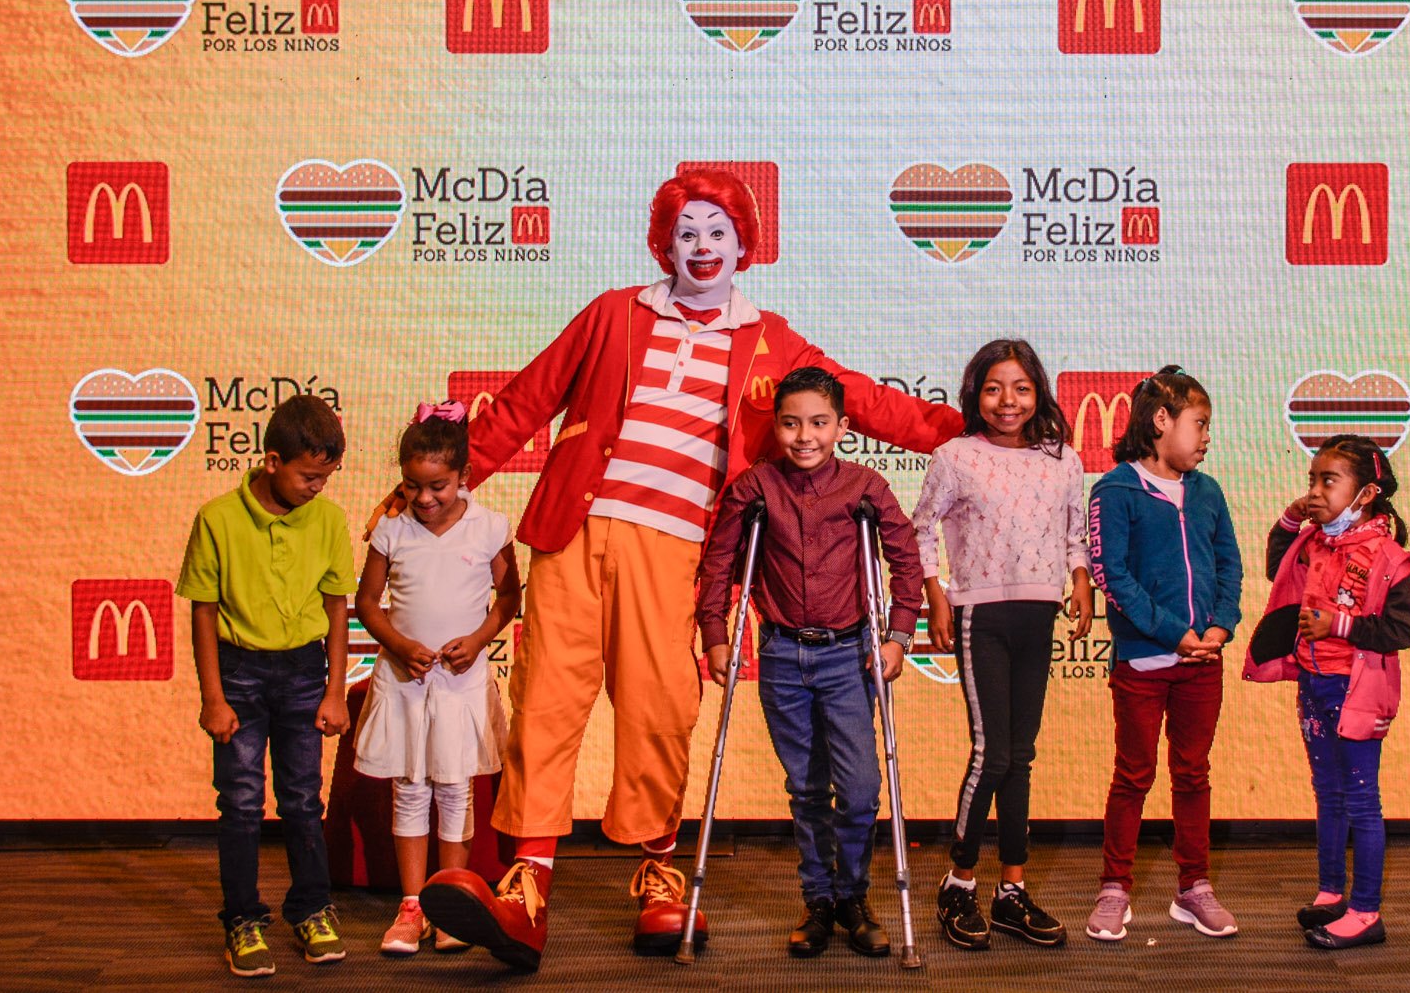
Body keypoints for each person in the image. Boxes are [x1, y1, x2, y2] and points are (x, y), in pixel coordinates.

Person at [413, 169, 962, 971]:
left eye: (718, 232)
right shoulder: (612, 313)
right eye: (687, 232)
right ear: (663, 242)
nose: (702, 247)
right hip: (574, 532)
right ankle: (525, 887)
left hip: (680, 548)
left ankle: (659, 875)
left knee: (659, 708)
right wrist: (435, 480)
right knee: (543, 702)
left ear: (745, 244)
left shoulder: (772, 340)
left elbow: (869, 402)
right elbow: (526, 401)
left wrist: (964, 430)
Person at [697, 367, 921, 959]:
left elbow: (907, 562)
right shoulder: (754, 488)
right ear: (777, 425)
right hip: (781, 655)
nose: (805, 436)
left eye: (819, 423)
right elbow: (720, 564)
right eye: (792, 423)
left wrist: (898, 636)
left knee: (861, 787)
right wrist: (716, 633)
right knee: (805, 788)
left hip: (849, 656)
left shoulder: (866, 488)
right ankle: (818, 900)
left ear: (842, 427)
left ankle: (853, 895)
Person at [913, 339, 1090, 950]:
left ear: (1038, 391)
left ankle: (1011, 889)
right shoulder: (955, 456)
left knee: (1021, 755)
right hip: (980, 616)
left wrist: (1082, 584)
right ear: (974, 395)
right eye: (993, 388)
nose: (1007, 401)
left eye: (1019, 387)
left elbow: (1075, 534)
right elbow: (919, 534)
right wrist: (936, 598)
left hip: (1037, 616)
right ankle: (959, 883)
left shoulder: (1062, 459)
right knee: (992, 753)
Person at [175, 394, 354, 978]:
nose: (316, 488)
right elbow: (203, 612)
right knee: (242, 803)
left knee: (303, 800)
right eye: (308, 475)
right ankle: (243, 920)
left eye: (325, 478)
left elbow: (335, 608)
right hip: (238, 673)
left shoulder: (327, 519)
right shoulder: (218, 518)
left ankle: (312, 910)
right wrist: (213, 698)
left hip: (305, 672)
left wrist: (334, 690)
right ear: (272, 461)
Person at [353, 403, 519, 956]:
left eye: (438, 487)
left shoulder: (491, 526)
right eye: (413, 486)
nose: (425, 499)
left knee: (455, 788)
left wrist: (477, 642)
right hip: (405, 682)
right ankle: (411, 906)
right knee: (410, 788)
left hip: (460, 683)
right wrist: (399, 645)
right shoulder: (391, 531)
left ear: (464, 477)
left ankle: (450, 903)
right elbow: (368, 604)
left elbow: (509, 597)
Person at [1083, 367, 1242, 943]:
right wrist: (1174, 631)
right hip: (1144, 664)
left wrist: (1221, 626)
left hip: (1204, 663)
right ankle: (1114, 889)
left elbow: (1229, 563)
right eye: (1198, 424)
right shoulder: (1115, 489)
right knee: (1133, 774)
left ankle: (1193, 888)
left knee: (1193, 773)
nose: (1206, 437)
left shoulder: (1207, 491)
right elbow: (1113, 576)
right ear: (1160, 421)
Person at [1246, 434, 1410, 950]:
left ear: (1365, 493)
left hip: (1359, 690)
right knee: (1328, 793)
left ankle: (1366, 911)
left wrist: (1340, 625)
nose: (1316, 491)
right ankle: (1330, 894)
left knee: (1363, 802)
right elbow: (1279, 565)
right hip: (1316, 685)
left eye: (1328, 481)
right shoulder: (1317, 541)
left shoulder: (1389, 557)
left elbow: (1402, 632)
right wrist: (1292, 513)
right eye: (1311, 480)